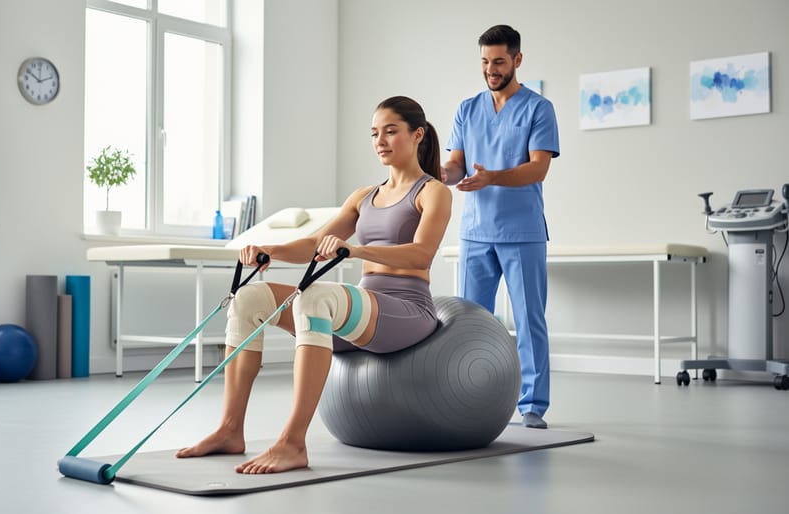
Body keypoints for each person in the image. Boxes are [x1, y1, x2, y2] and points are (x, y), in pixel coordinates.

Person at [176, 96, 452, 474]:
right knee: (248, 299)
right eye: (374, 134)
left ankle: (292, 443)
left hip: (406, 311)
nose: (380, 141)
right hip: (362, 313)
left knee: (316, 297)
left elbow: (422, 254)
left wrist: (354, 250)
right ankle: (230, 429)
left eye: (391, 131)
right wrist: (267, 251)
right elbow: (315, 243)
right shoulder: (363, 196)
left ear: (417, 134)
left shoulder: (433, 191)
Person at [442, 25, 560, 429]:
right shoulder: (467, 109)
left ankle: (532, 405)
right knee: (469, 323)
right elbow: (456, 165)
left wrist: (493, 177)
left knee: (529, 321)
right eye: (485, 62)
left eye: (499, 62)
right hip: (475, 231)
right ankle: (471, 398)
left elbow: (537, 167)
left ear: (517, 60)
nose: (491, 70)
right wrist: (432, 173)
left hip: (522, 231)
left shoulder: (537, 108)